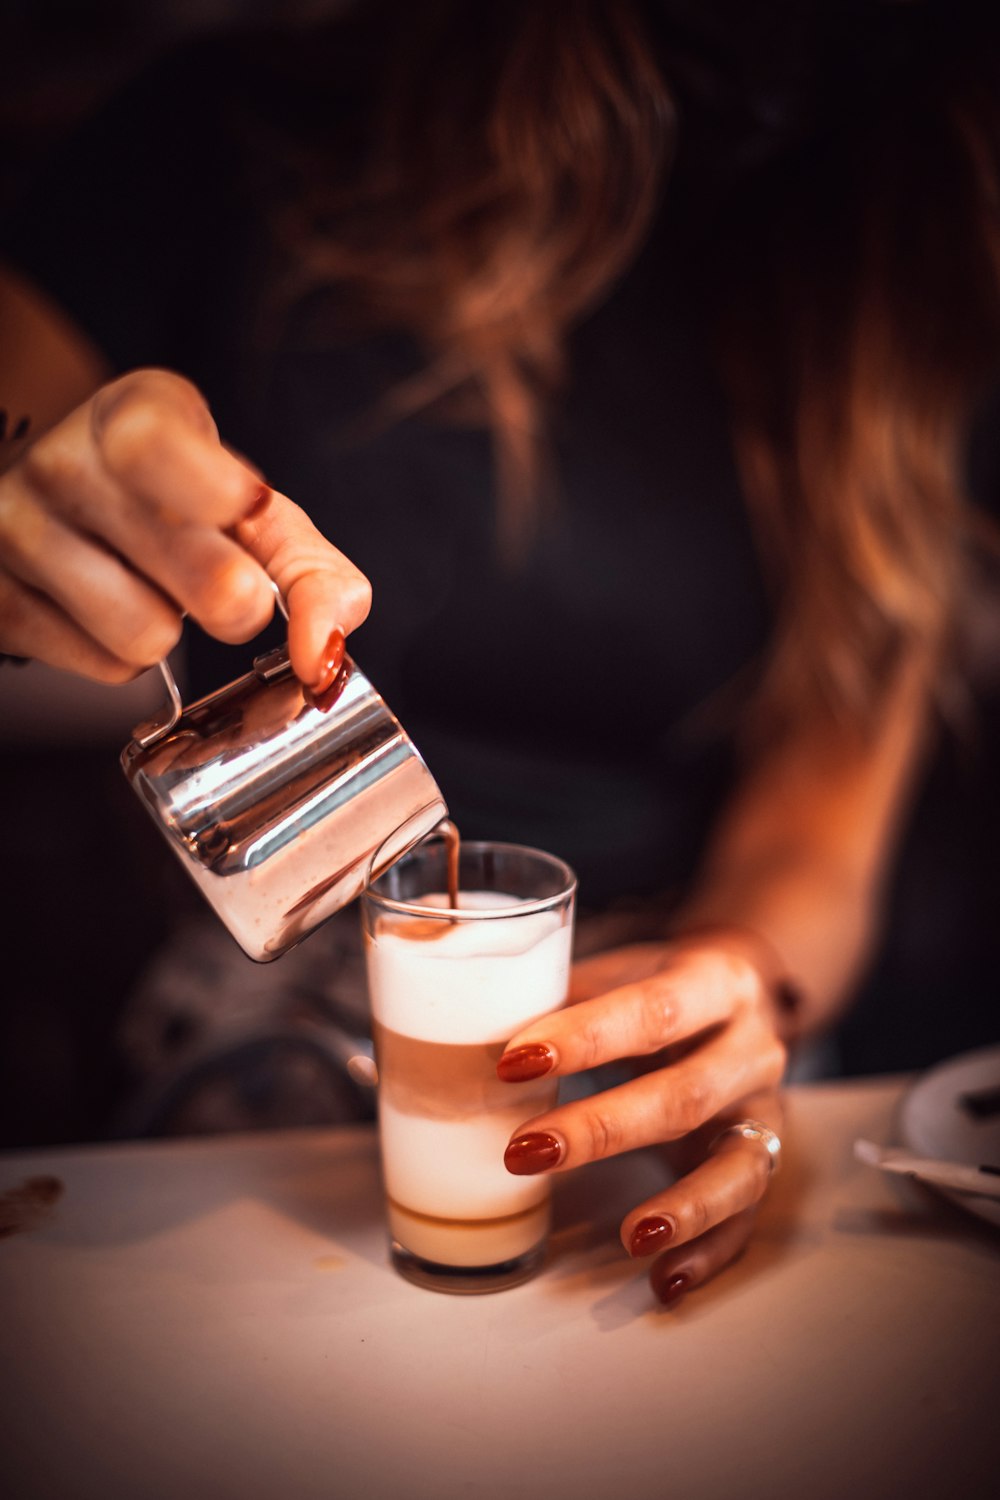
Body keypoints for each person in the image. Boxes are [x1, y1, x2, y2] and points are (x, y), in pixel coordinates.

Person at [1, 0, 998, 1305]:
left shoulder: (920, 237)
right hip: (274, 1010)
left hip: (669, 1014)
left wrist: (745, 982)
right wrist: (30, 478)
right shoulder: (252, 122)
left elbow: (815, 829)